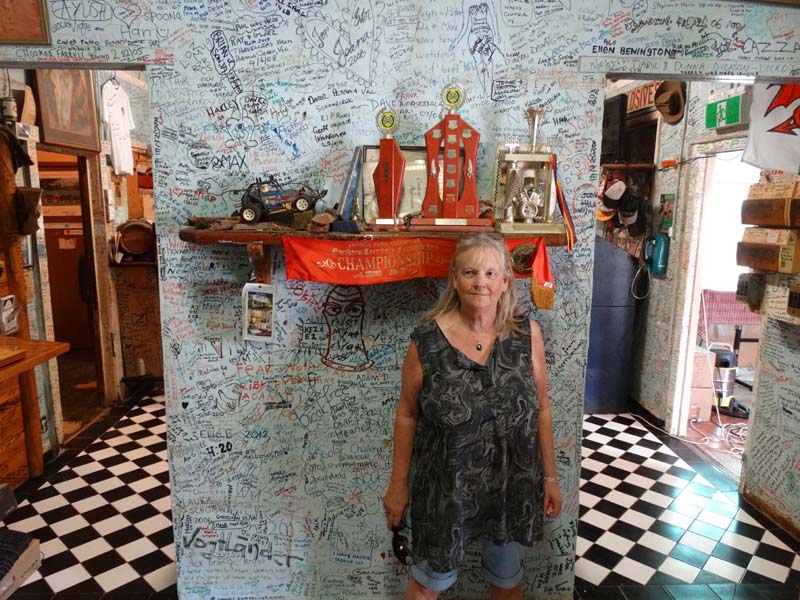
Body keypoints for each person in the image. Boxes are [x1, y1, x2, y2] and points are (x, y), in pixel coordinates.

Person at [383, 232, 562, 600]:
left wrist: (550, 477)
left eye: (490, 273)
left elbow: (542, 406)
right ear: (455, 279)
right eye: (470, 272)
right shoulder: (426, 341)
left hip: (510, 486)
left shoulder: (526, 335)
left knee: (507, 585)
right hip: (445, 489)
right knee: (424, 588)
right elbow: (407, 415)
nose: (481, 282)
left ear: (505, 282)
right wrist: (397, 487)